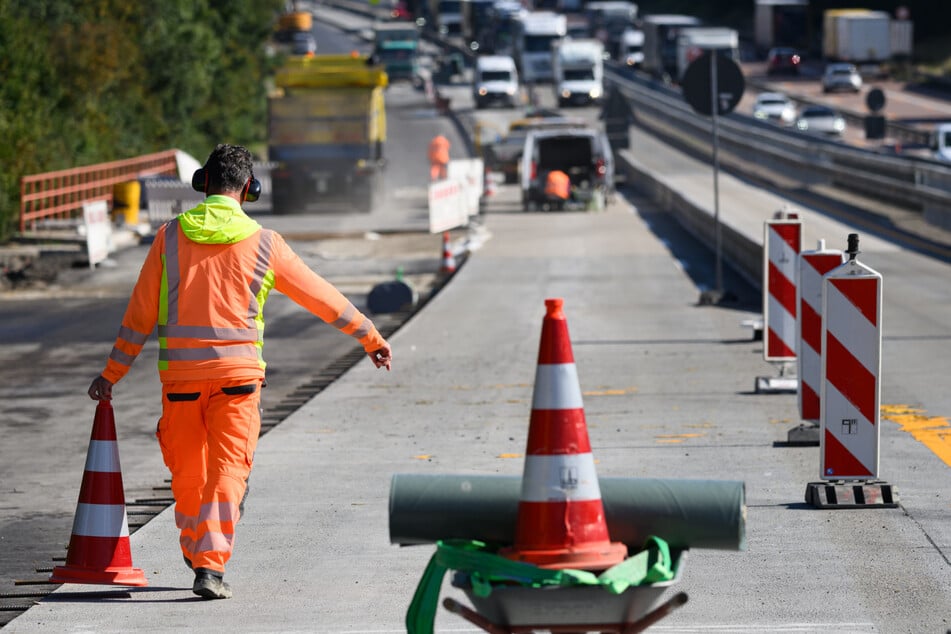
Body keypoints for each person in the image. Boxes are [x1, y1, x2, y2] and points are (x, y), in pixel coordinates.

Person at [87, 144, 392, 600]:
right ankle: (209, 564)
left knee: (189, 474)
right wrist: (369, 335)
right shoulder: (267, 244)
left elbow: (138, 317)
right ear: (250, 189)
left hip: (181, 385)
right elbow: (320, 296)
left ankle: (199, 550)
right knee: (229, 471)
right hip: (239, 382)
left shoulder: (169, 238)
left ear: (203, 183)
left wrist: (112, 373)